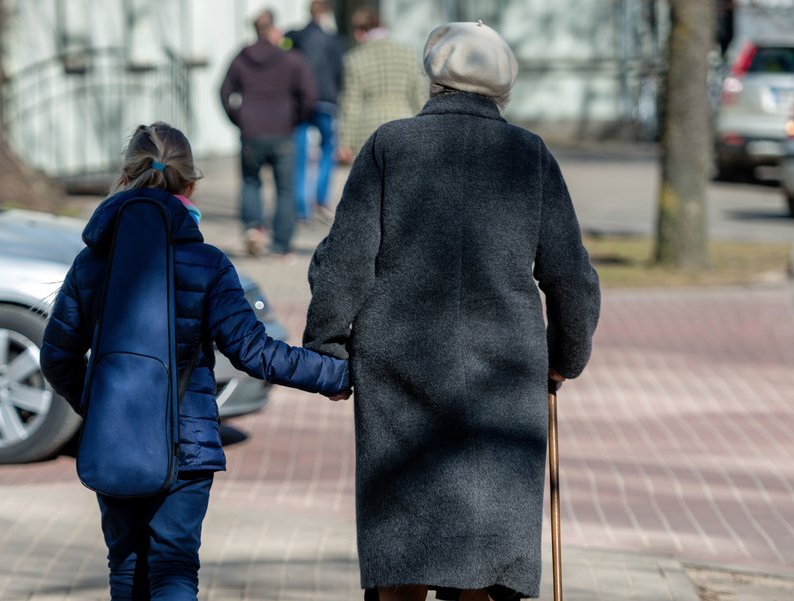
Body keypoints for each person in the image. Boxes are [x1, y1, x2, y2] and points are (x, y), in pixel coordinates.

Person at [303, 22, 600, 601]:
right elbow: (572, 276)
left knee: (403, 555)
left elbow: (345, 260)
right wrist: (566, 357)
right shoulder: (528, 154)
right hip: (504, 374)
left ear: (434, 79)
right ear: (502, 90)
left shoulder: (390, 146)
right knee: (486, 557)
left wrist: (328, 348)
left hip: (401, 367)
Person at [40, 123, 350, 600]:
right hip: (188, 445)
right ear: (191, 185)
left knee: (124, 567)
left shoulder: (92, 261)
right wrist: (336, 374)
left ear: (126, 177)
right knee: (174, 569)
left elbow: (57, 355)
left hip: (116, 440)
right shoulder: (206, 262)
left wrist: (106, 405)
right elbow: (253, 351)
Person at [220, 9, 317, 259]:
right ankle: (281, 247)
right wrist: (294, 118)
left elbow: (223, 91)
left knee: (251, 181)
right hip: (283, 130)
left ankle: (253, 228)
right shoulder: (291, 59)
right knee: (285, 189)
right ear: (274, 28)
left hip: (251, 130)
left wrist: (238, 119)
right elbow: (309, 95)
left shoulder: (242, 57)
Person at [335, 7, 427, 163]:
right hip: (404, 125)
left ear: (359, 33)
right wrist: (426, 130)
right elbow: (420, 94)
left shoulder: (353, 60)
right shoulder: (407, 54)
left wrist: (345, 142)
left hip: (367, 132)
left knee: (371, 185)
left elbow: (351, 104)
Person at [287, 0, 345, 222]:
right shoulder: (334, 41)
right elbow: (340, 72)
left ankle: (302, 207)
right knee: (328, 149)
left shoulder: (294, 37)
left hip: (301, 101)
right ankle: (321, 200)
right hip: (326, 101)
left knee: (300, 153)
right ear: (327, 14)